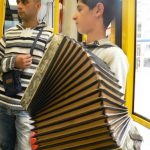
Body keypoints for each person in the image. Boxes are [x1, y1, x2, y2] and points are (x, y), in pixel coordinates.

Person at [31, 0, 142, 149]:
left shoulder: (114, 56)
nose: (74, 16)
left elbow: (106, 117)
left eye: (79, 9)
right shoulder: (75, 51)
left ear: (98, 10)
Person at [0, 0, 53, 149]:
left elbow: (50, 75)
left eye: (24, 2)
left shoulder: (48, 36)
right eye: (18, 2)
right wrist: (13, 62)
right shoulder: (9, 34)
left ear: (37, 5)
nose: (19, 5)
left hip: (28, 111)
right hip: (3, 105)